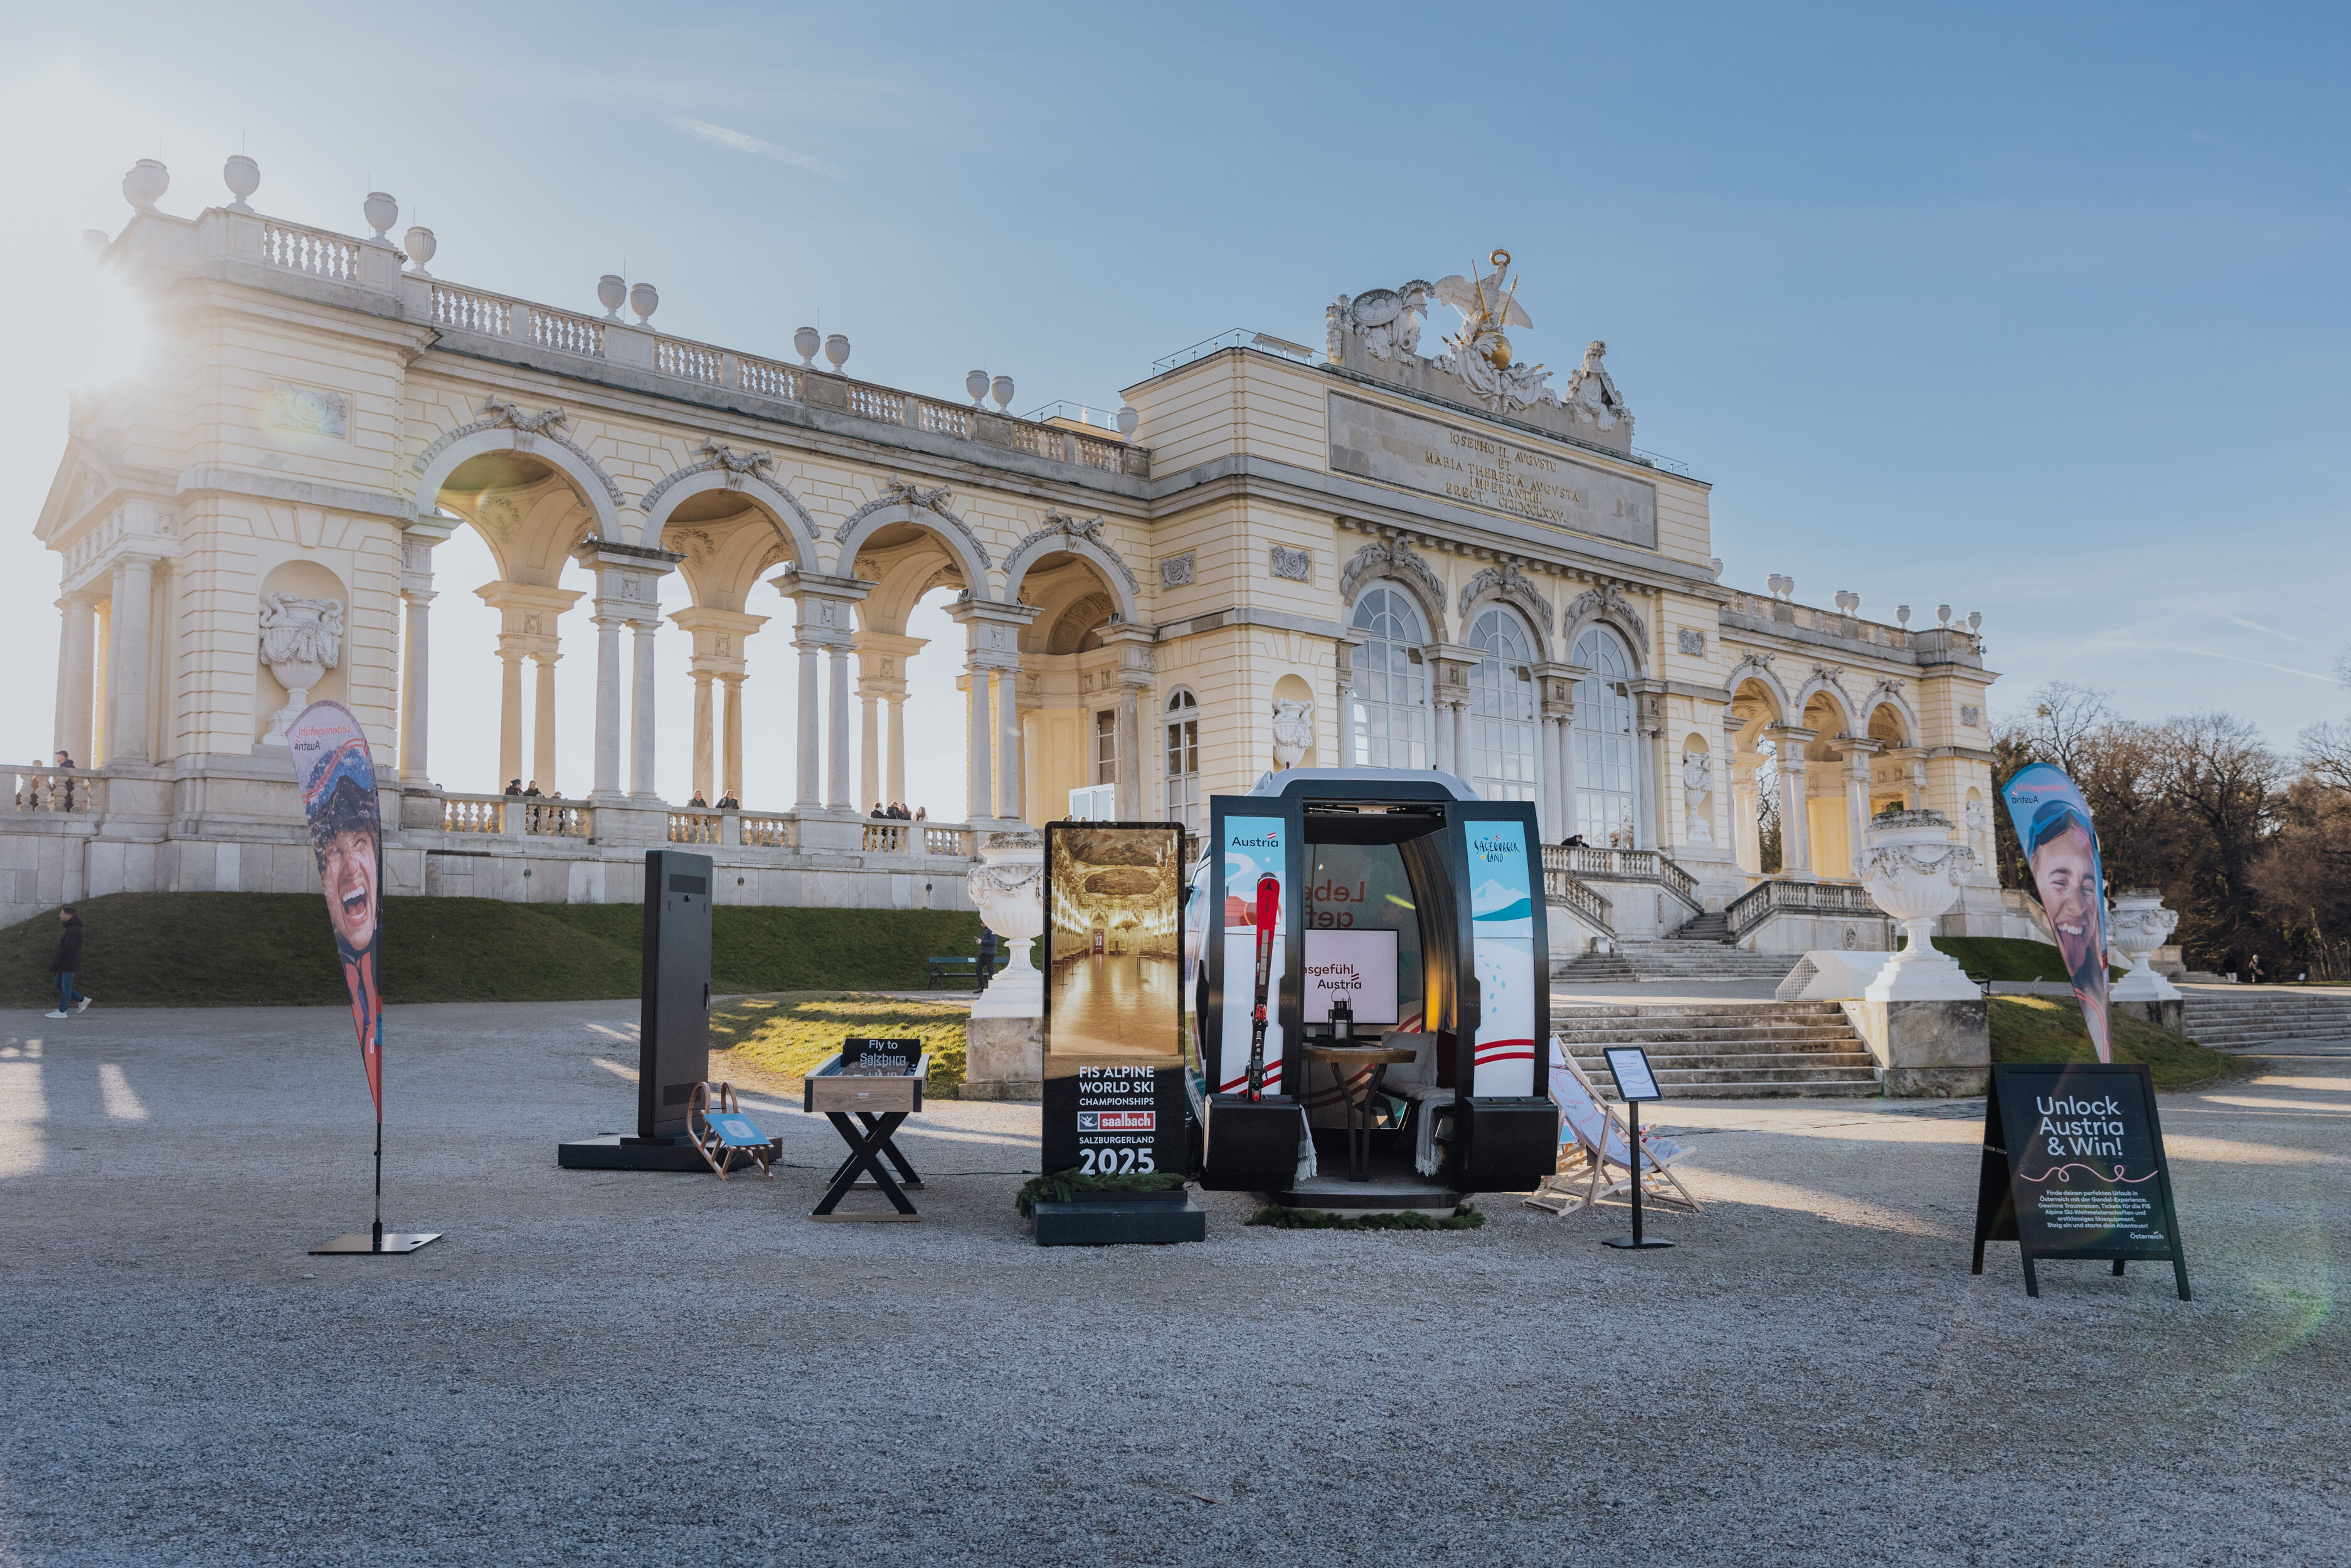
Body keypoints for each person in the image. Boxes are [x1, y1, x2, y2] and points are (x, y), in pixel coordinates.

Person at [45, 906, 91, 1019]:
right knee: (58, 984)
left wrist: (59, 958)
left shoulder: (74, 929)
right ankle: (82, 999)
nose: (60, 916)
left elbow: (68, 947)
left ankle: (62, 1011)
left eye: (61, 914)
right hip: (66, 961)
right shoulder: (71, 928)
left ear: (67, 915)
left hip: (69, 962)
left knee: (66, 986)